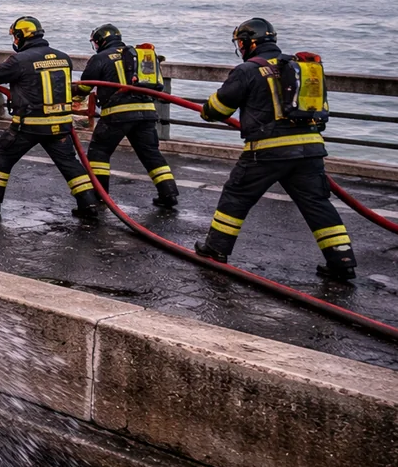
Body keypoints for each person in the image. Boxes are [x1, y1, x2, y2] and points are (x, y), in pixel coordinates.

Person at [194, 18, 357, 281]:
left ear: (250, 43)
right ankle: (342, 260)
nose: (240, 48)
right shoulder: (297, 67)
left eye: (240, 43)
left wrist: (206, 110)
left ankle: (215, 249)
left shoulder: (248, 70)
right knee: (317, 204)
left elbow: (218, 109)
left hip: (267, 151)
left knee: (236, 195)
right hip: (310, 148)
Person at [0, 16, 101, 218]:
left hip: (29, 125)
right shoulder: (63, 57)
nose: (14, 41)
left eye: (15, 36)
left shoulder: (20, 60)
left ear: (22, 36)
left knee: (2, 157)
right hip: (60, 125)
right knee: (70, 164)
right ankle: (89, 205)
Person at [75, 24, 179, 208]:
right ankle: (168, 193)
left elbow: (85, 86)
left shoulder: (100, 58)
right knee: (151, 154)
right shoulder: (138, 55)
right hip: (146, 112)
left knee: (99, 152)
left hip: (117, 114)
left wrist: (71, 92)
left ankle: (99, 195)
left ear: (100, 41)